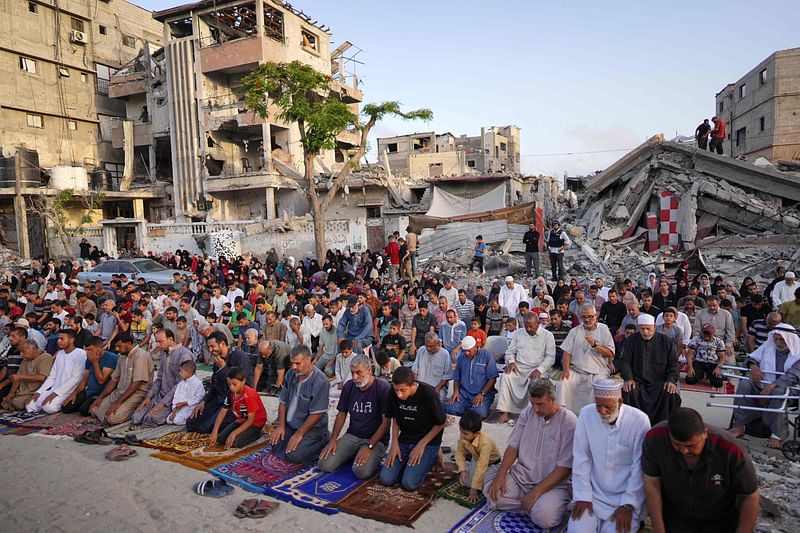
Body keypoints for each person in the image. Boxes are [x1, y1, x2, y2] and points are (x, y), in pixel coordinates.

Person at [643, 407, 760, 533]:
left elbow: (750, 496)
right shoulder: (655, 438)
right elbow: (652, 483)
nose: (684, 451)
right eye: (677, 445)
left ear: (705, 433)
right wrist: (658, 528)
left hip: (721, 520)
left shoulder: (730, 449)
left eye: (691, 446)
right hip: (676, 518)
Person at [485, 379, 575, 528]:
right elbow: (513, 446)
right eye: (532, 403)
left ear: (553, 400)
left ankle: (538, 505)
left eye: (540, 404)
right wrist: (501, 475)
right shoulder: (528, 412)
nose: (535, 409)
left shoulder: (569, 422)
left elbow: (565, 468)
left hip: (553, 485)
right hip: (522, 477)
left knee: (544, 519)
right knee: (492, 495)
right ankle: (530, 506)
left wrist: (536, 492)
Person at [569, 379, 651, 533]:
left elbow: (639, 468)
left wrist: (628, 505)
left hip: (624, 499)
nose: (602, 411)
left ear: (620, 402)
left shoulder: (639, 421)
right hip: (593, 495)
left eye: (607, 406)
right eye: (598, 405)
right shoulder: (586, 415)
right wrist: (583, 495)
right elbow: (581, 458)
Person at [318, 355, 391, 479]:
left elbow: (386, 423)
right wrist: (333, 440)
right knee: (324, 464)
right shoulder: (349, 386)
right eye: (352, 373)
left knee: (361, 472)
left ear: (369, 370)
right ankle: (352, 452)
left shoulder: (383, 388)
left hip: (375, 439)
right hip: (353, 435)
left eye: (359, 372)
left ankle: (367, 453)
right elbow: (341, 414)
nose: (355, 377)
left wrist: (370, 446)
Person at [730, 325, 800, 448]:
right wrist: (754, 366)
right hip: (764, 385)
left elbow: (793, 375)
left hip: (791, 390)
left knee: (778, 392)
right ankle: (740, 426)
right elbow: (751, 358)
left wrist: (772, 386)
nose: (778, 343)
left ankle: (777, 436)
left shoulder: (798, 352)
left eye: (782, 340)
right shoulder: (769, 346)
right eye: (776, 339)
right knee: (745, 384)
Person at [380, 366, 446, 491]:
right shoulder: (392, 393)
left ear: (412, 385)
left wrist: (421, 445)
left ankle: (434, 454)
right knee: (386, 479)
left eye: (403, 390)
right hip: (405, 439)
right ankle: (410, 464)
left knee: (409, 483)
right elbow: (395, 418)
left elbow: (441, 422)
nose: (399, 394)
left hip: (427, 441)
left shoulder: (428, 393)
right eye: (396, 390)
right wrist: (394, 443)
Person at [269, 345, 330, 464]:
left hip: (312, 428)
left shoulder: (320, 381)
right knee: (275, 444)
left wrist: (299, 434)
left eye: (297, 363)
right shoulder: (291, 374)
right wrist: (281, 426)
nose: (293, 367)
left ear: (308, 360)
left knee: (294, 455)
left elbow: (317, 414)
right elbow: (283, 402)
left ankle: (323, 439)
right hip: (291, 424)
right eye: (292, 363)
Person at [616, 314, 680, 425]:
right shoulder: (631, 340)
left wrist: (671, 380)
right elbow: (625, 362)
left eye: (648, 329)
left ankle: (662, 426)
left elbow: (673, 364)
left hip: (660, 382)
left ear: (654, 327)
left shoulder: (666, 341)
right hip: (638, 381)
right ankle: (633, 425)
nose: (645, 332)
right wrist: (629, 378)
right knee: (628, 391)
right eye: (642, 329)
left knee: (669, 393)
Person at [495, 313, 555, 423]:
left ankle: (532, 413)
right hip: (519, 366)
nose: (528, 328)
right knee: (506, 377)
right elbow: (510, 352)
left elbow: (550, 357)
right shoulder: (518, 333)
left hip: (537, 368)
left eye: (531, 326)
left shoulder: (548, 335)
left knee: (537, 381)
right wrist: (511, 362)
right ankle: (505, 412)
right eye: (526, 326)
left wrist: (540, 369)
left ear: (538, 323)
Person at [559, 304, 615, 415]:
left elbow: (610, 353)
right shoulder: (574, 331)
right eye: (584, 317)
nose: (587, 319)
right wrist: (565, 369)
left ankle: (593, 417)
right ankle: (566, 417)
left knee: (599, 387)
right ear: (580, 317)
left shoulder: (603, 329)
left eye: (590, 316)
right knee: (563, 383)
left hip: (598, 371)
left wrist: (595, 345)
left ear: (596, 316)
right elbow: (566, 352)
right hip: (576, 370)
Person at [132, 328, 194, 427]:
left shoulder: (184, 354)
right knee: (136, 417)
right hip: (160, 395)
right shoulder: (165, 353)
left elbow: (181, 385)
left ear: (170, 339)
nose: (158, 345)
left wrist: (163, 403)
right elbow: (159, 378)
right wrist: (149, 396)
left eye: (160, 342)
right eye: (157, 342)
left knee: (151, 419)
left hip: (174, 399)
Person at [90, 333, 153, 425]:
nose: (116, 349)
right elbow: (114, 380)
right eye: (116, 346)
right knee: (94, 409)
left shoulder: (141, 356)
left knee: (112, 418)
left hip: (137, 393)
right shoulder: (121, 357)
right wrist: (100, 397)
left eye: (119, 346)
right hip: (120, 391)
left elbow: (137, 383)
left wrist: (118, 402)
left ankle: (135, 410)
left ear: (128, 343)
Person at [26, 329, 87, 414]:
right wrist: (39, 391)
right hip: (55, 388)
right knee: (30, 405)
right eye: (58, 339)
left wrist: (55, 394)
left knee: (48, 407)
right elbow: (52, 376)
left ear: (71, 340)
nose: (59, 341)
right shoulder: (60, 354)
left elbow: (75, 379)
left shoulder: (81, 354)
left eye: (62, 339)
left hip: (69, 390)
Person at [209, 366, 267, 449]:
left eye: (234, 384)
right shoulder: (231, 393)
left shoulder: (249, 395)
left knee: (236, 443)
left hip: (255, 422)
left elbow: (251, 419)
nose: (231, 387)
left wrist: (234, 433)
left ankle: (258, 433)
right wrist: (215, 431)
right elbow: (223, 411)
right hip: (242, 419)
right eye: (229, 384)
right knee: (220, 439)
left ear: (243, 381)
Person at [61, 335, 118, 416]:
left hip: (100, 393)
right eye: (86, 350)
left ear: (99, 348)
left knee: (83, 411)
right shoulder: (89, 359)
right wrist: (74, 394)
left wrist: (95, 362)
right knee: (66, 407)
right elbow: (85, 379)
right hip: (89, 391)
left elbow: (101, 380)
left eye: (90, 349)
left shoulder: (111, 358)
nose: (87, 352)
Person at [445, 336, 498, 419]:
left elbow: (492, 378)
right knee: (449, 409)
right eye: (464, 350)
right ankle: (466, 407)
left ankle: (469, 408)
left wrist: (482, 394)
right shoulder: (461, 358)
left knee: (479, 413)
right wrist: (455, 392)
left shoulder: (487, 356)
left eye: (469, 350)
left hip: (482, 394)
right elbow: (456, 378)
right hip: (464, 394)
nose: (466, 353)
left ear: (476, 346)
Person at [456, 412, 501, 504]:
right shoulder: (463, 436)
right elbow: (459, 452)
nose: (462, 435)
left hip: (492, 464)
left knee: (485, 488)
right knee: (466, 482)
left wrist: (474, 488)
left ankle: (500, 474)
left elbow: (482, 466)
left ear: (477, 433)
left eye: (465, 433)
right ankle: (469, 465)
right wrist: (462, 470)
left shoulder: (486, 443)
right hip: (476, 459)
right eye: (461, 431)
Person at [0, 340, 54, 411]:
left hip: (34, 392)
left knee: (18, 403)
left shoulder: (46, 357)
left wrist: (20, 377)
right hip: (21, 392)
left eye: (23, 351)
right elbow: (17, 378)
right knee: (6, 399)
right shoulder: (25, 359)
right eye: (20, 352)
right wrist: (11, 393)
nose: (21, 355)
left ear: (33, 349)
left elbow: (42, 377)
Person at [411, 332, 452, 401]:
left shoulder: (445, 354)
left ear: (437, 343)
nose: (428, 349)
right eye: (426, 346)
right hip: (420, 385)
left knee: (435, 401)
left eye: (431, 346)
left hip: (437, 387)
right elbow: (415, 370)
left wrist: (437, 388)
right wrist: (416, 384)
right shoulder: (421, 350)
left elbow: (447, 375)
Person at [685, 323, 726, 388]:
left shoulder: (719, 341)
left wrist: (718, 367)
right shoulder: (696, 339)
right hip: (699, 362)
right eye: (705, 334)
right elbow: (689, 355)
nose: (706, 336)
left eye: (708, 334)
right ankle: (701, 376)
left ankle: (709, 377)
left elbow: (722, 357)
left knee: (718, 384)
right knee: (690, 380)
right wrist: (690, 367)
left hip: (712, 363)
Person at [167, 360, 205, 425]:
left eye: (181, 372)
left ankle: (191, 421)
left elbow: (199, 398)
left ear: (189, 372)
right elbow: (176, 398)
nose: (180, 373)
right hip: (179, 408)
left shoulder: (198, 383)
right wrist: (174, 410)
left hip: (190, 407)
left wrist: (185, 403)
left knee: (177, 421)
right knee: (168, 420)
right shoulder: (180, 384)